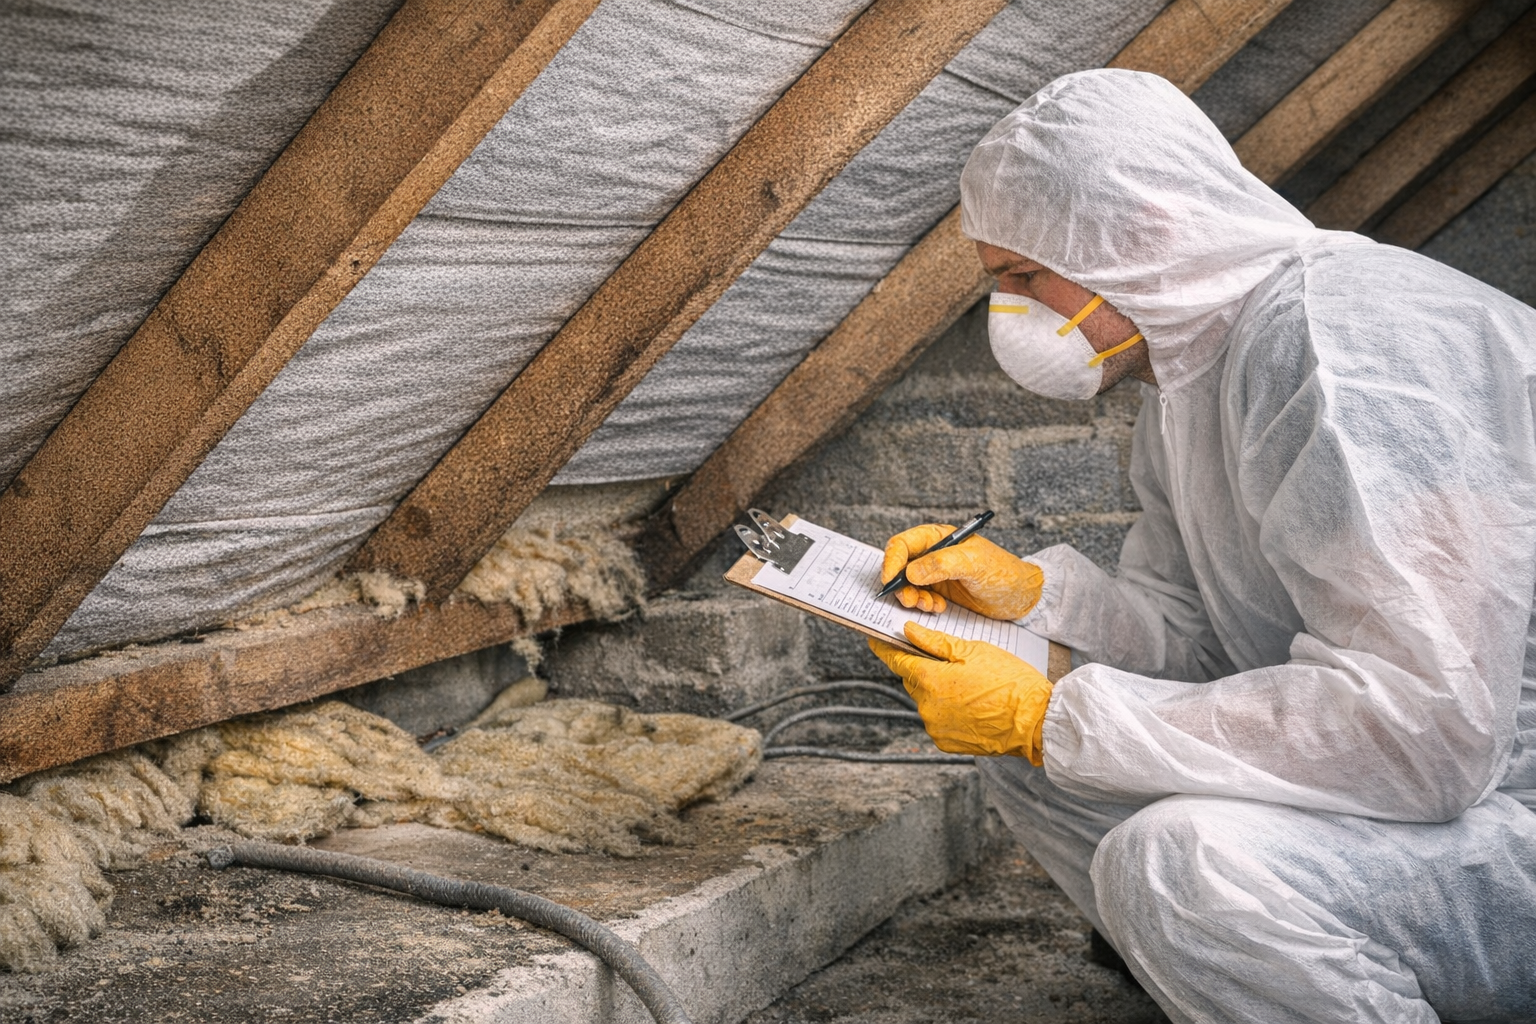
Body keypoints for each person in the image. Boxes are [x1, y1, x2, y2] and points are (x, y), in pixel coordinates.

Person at [867, 68, 1536, 1023]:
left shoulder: (1344, 347)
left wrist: (1055, 714)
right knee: (1031, 759)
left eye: (1023, 276)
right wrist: (1031, 607)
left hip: (1504, 806)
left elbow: (1422, 731)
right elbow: (1208, 643)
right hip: (1451, 798)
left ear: (1137, 232)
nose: (1010, 313)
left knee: (1178, 861)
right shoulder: (1191, 375)